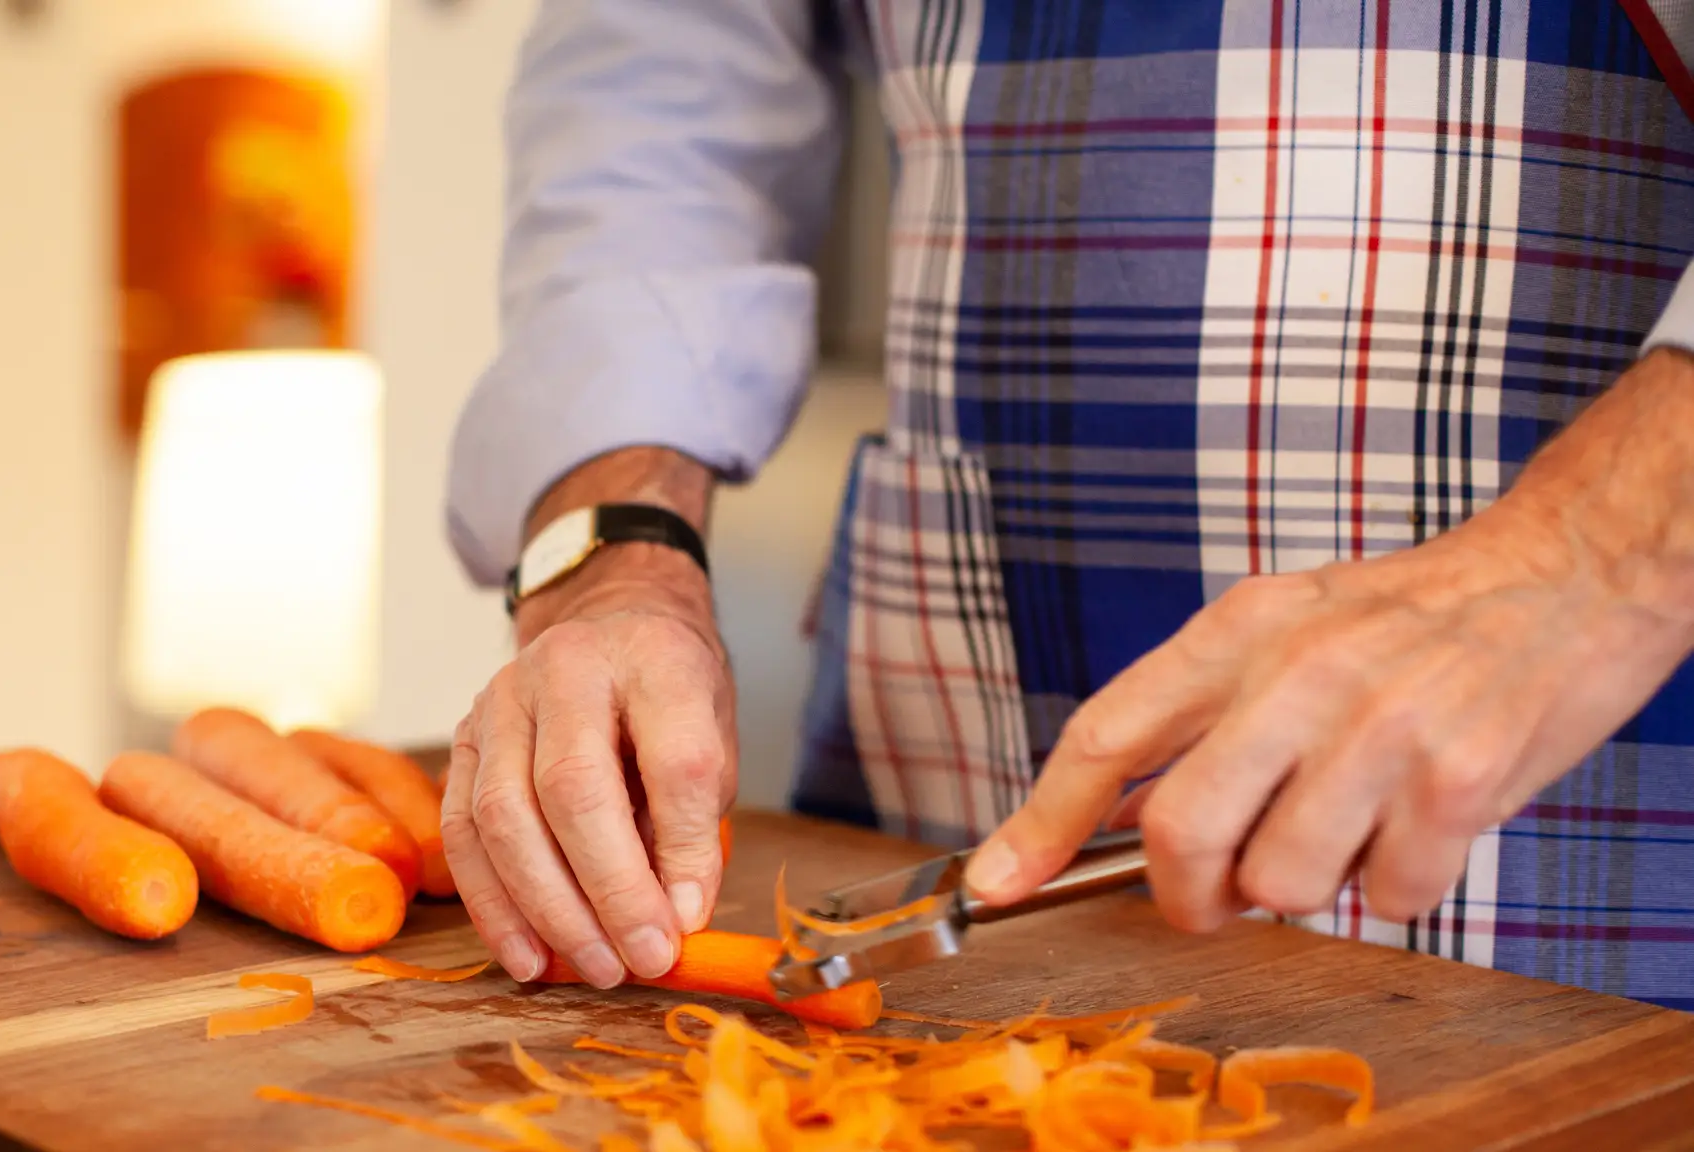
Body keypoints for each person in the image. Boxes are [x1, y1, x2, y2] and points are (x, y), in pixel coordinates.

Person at [439, 0, 1694, 1010]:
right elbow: (662, 56)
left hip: (1610, 842)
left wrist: (1597, 550)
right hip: (944, 743)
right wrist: (615, 546)